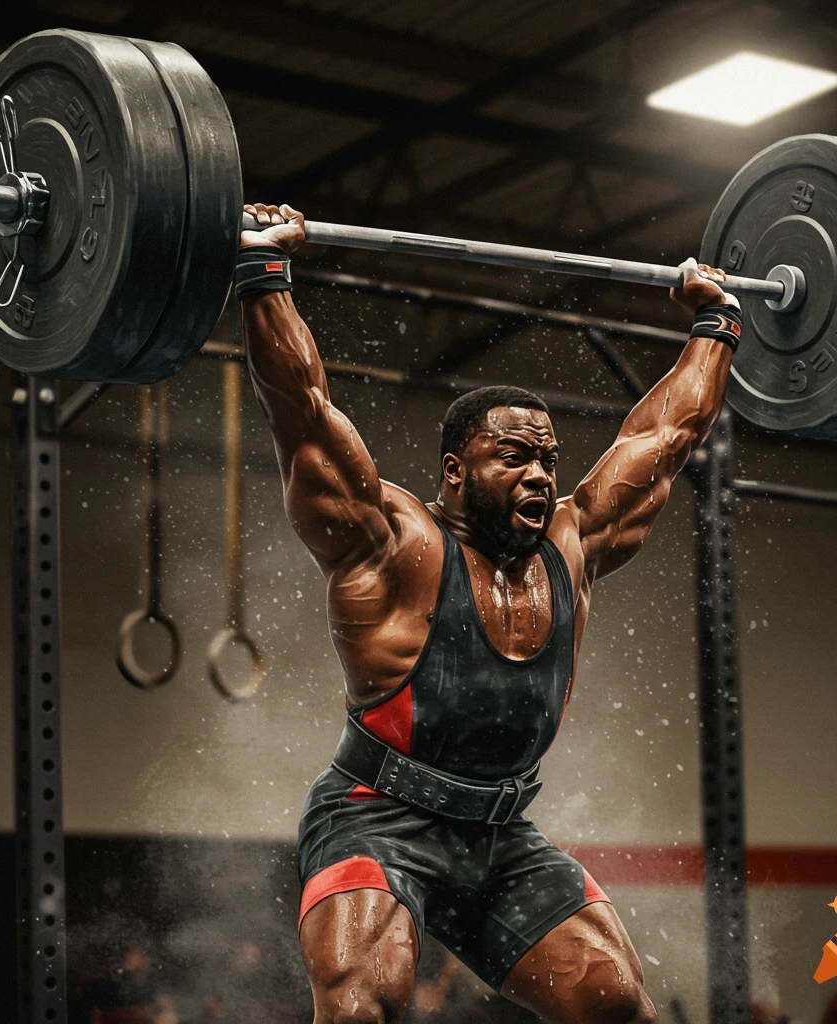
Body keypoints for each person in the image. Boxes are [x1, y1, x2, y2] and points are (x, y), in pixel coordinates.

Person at [238, 202, 742, 1024]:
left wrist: (716, 324)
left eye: (547, 458)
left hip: (499, 838)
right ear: (453, 472)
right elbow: (302, 412)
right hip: (374, 816)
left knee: (619, 1006)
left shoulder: (573, 546)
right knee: (366, 1005)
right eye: (513, 456)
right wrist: (262, 270)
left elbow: (666, 438)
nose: (540, 474)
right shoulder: (396, 544)